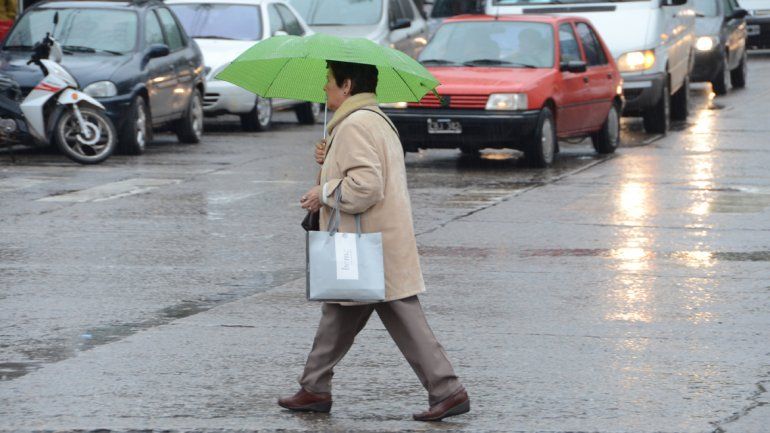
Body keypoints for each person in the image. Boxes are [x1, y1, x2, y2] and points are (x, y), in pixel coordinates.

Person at [280, 60, 470, 422]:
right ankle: (314, 388)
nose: (324, 89)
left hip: (368, 246)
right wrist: (328, 159)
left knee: (401, 316)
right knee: (338, 313)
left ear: (347, 85)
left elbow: (366, 186)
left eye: (328, 81)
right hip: (372, 243)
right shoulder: (371, 119)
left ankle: (448, 390)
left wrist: (324, 190)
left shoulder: (355, 125)